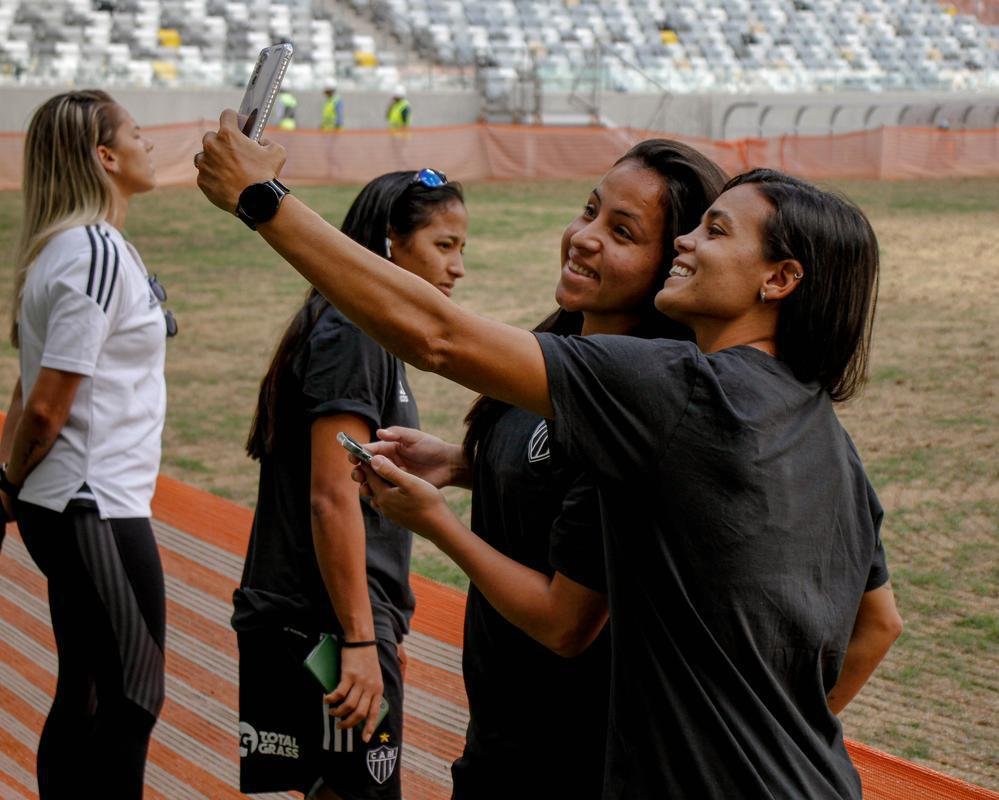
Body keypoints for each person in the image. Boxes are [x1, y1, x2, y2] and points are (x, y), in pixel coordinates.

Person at [194, 118, 901, 797]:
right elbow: (878, 624)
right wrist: (779, 734)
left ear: (777, 280)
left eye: (712, 231)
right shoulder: (821, 433)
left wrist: (263, 200)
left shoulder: (678, 389)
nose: (685, 242)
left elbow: (438, 338)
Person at [359, 140, 727, 800]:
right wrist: (460, 462)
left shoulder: (643, 405)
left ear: (671, 263)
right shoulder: (559, 347)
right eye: (589, 210)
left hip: (573, 755)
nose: (583, 238)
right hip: (502, 731)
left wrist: (436, 525)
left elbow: (567, 624)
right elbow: (553, 477)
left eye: (620, 232)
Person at [231, 168, 467, 799]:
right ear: (392, 241)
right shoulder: (353, 330)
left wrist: (382, 630)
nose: (459, 267)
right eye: (444, 245)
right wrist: (361, 638)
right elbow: (331, 495)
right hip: (324, 625)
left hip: (339, 619)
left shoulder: (361, 327)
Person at [0, 89, 172, 798]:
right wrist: (8, 485)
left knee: (91, 691)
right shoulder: (94, 249)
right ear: (105, 157)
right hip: (89, 502)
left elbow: (26, 389)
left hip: (78, 500)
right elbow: (43, 407)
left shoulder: (72, 248)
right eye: (136, 133)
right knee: (133, 695)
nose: (148, 143)